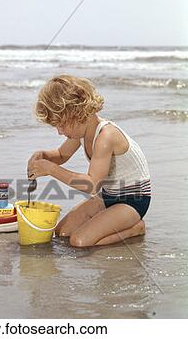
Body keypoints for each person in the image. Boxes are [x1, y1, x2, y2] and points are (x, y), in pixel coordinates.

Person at [27, 75, 151, 247]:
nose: (59, 132)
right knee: (61, 232)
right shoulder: (82, 131)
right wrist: (44, 156)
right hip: (108, 196)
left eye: (61, 125)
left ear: (76, 113)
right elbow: (62, 155)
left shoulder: (105, 136)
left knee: (79, 241)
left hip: (133, 200)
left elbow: (92, 186)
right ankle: (113, 222)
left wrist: (51, 170)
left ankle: (135, 228)